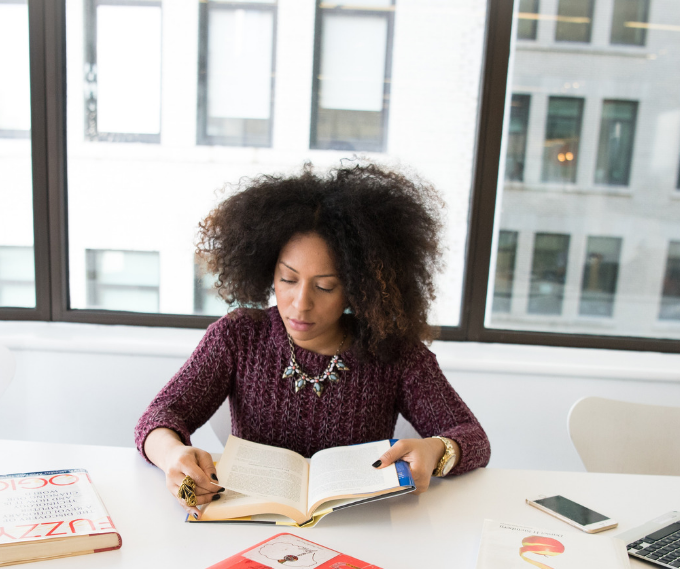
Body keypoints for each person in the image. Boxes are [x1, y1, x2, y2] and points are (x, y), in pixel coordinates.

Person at [135, 162, 490, 518]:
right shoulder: (238, 336)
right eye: (288, 279)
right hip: (249, 523)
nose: (301, 303)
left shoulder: (394, 352)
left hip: (361, 527)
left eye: (325, 286)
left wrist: (438, 450)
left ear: (357, 290)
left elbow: (473, 438)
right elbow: (159, 417)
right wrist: (171, 455)